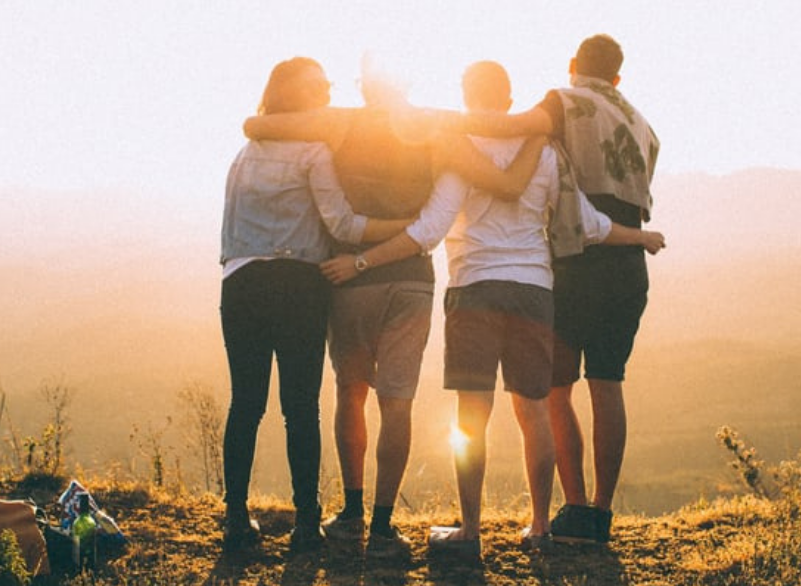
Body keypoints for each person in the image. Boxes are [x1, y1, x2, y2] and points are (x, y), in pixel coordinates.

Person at [319, 60, 664, 557]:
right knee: (535, 412)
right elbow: (587, 223)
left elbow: (430, 230)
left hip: (474, 288)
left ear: (466, 95)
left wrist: (362, 261)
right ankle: (541, 527)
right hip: (534, 291)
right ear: (508, 100)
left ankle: (471, 531)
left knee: (471, 417)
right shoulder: (545, 151)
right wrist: (641, 237)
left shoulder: (460, 149)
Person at [241, 61, 544, 558]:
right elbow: (501, 152)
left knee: (350, 392)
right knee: (397, 401)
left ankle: (351, 511)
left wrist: (255, 123)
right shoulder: (435, 126)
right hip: (411, 280)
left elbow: (259, 126)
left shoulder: (340, 122)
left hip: (350, 278)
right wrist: (539, 126)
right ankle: (383, 526)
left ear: (364, 86)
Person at [440, 35, 661, 544]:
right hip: (626, 263)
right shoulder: (644, 125)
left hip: (576, 260)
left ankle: (572, 509)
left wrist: (437, 123)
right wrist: (640, 237)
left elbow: (512, 128)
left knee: (552, 391)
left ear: (572, 65)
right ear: (618, 77)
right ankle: (599, 514)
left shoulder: (563, 102)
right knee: (608, 383)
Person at [219, 57, 410, 554]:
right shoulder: (314, 151)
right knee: (299, 408)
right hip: (299, 285)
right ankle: (306, 524)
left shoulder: (245, 152)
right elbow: (343, 227)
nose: (327, 89)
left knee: (246, 404)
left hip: (240, 283)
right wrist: (404, 228)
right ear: (299, 97)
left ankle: (236, 521)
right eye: (319, 84)